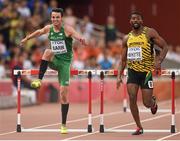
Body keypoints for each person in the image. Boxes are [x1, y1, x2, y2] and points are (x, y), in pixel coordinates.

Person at [20, 8, 87, 134]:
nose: (55, 19)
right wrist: (26, 38)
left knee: (63, 94)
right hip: (54, 60)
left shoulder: (66, 29)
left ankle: (63, 124)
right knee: (47, 51)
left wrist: (81, 39)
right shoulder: (49, 28)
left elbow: (76, 35)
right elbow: (39, 32)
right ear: (51, 18)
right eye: (53, 17)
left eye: (57, 17)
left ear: (61, 18)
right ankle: (39, 80)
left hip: (65, 64)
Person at [116, 11, 168, 135]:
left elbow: (165, 46)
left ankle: (152, 103)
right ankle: (139, 127)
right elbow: (123, 60)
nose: (135, 21)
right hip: (132, 71)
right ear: (130, 21)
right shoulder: (126, 38)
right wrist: (119, 76)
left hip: (146, 73)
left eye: (138, 19)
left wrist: (159, 60)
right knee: (132, 97)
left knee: (146, 103)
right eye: (133, 19)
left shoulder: (149, 32)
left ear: (141, 21)